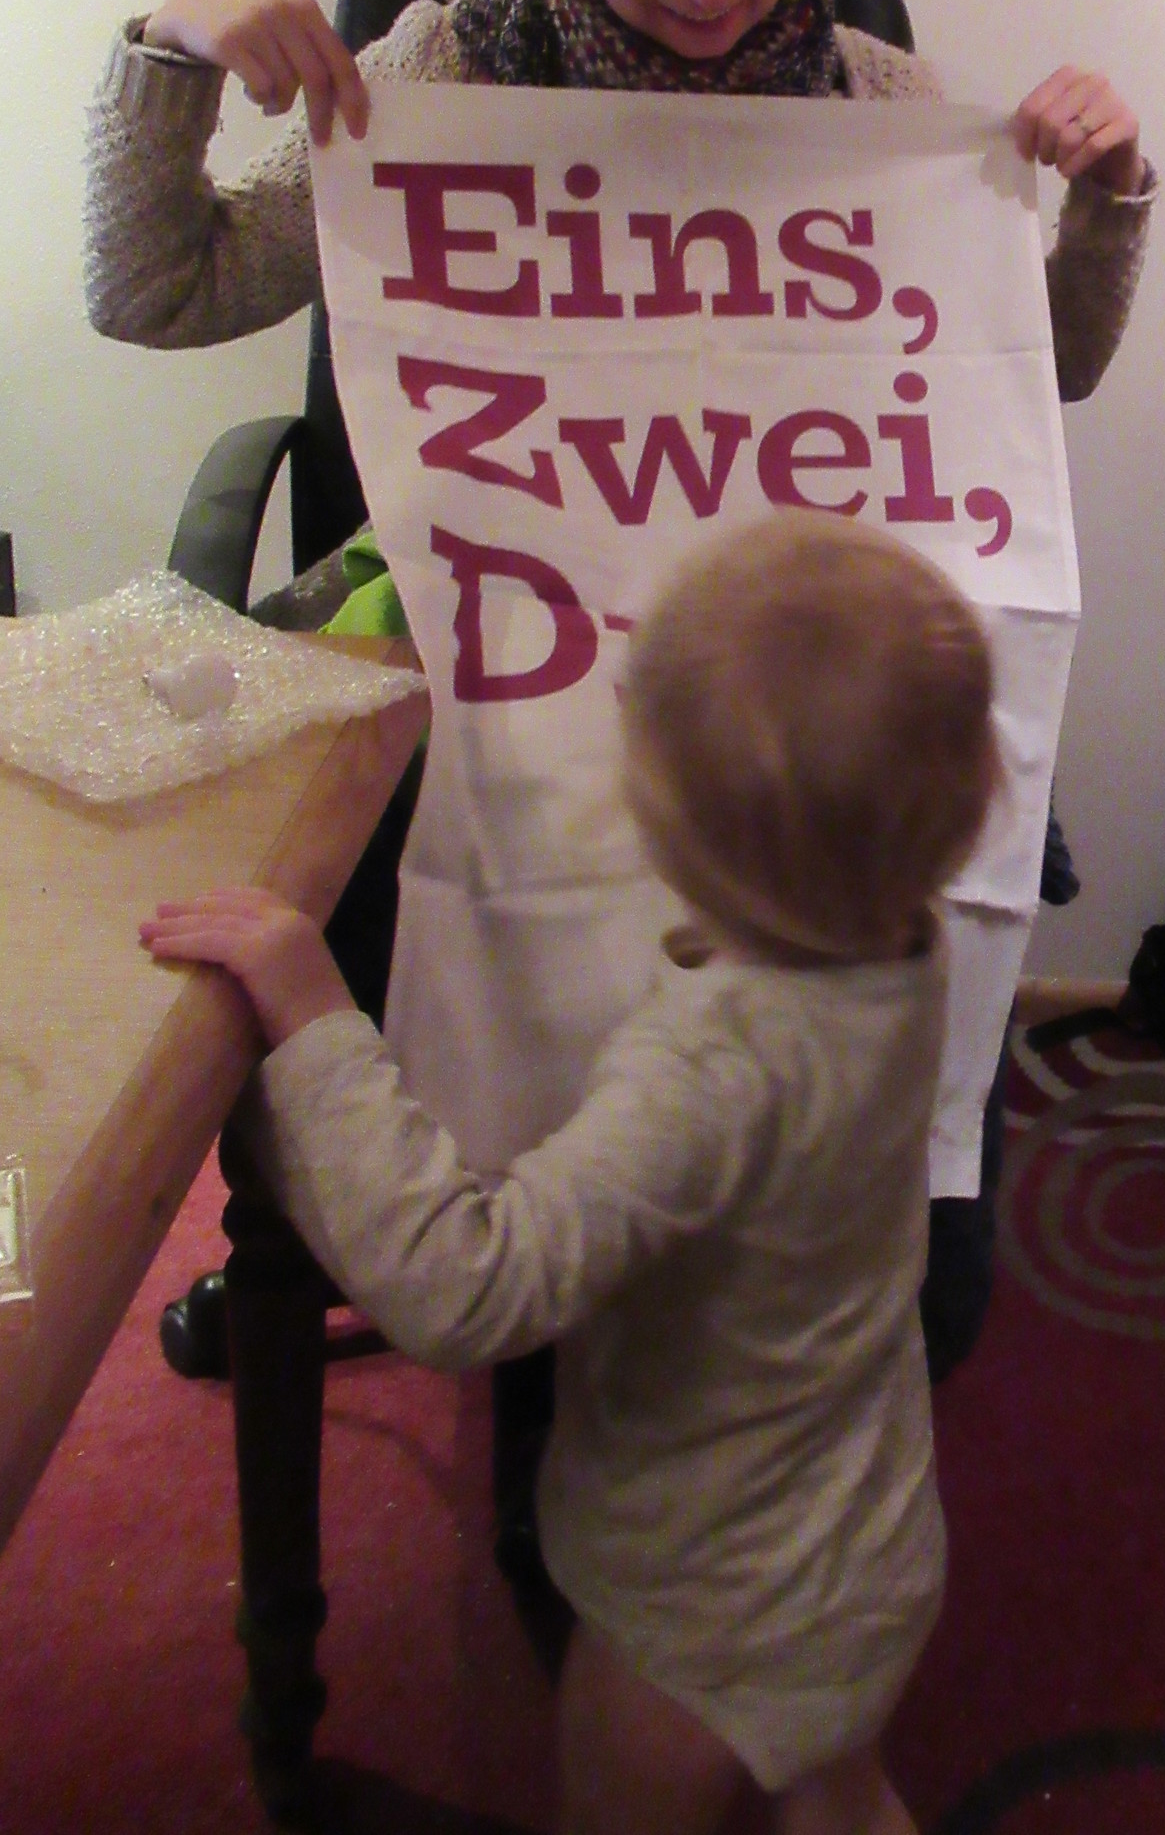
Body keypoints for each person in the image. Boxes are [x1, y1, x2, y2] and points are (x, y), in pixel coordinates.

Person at [83, 0, 1155, 1387]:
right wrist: (175, 36)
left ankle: (794, 1267)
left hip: (775, 684)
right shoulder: (438, 69)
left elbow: (1050, 371)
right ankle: (518, 1259)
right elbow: (154, 288)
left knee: (926, 1248)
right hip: (515, 659)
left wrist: (1107, 195)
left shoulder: (875, 102)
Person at [142, 515, 998, 1835]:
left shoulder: (712, 1068)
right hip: (871, 1549)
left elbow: (462, 1289)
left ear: (666, 828)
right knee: (837, 1794)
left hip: (693, 1607)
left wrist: (317, 1019)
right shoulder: (906, 938)